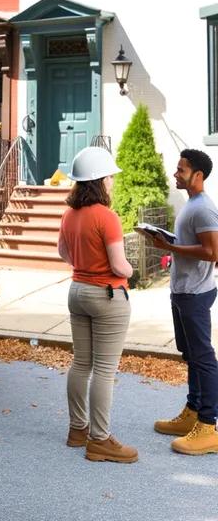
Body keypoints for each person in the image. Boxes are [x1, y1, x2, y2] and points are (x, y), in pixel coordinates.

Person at [58, 146, 137, 463]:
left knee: (81, 363)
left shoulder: (69, 214)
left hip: (78, 291)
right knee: (104, 371)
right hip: (107, 296)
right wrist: (131, 270)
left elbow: (63, 254)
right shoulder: (107, 217)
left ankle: (78, 430)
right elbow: (119, 266)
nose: (112, 182)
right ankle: (100, 440)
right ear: (99, 180)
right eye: (110, 177)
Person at [139, 149, 218, 455]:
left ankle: (209, 425)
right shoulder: (191, 206)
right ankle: (193, 412)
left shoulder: (204, 209)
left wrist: (171, 246)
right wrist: (168, 243)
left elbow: (213, 253)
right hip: (183, 290)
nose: (175, 173)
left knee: (203, 357)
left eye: (182, 170)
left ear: (198, 176)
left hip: (195, 293)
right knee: (190, 355)